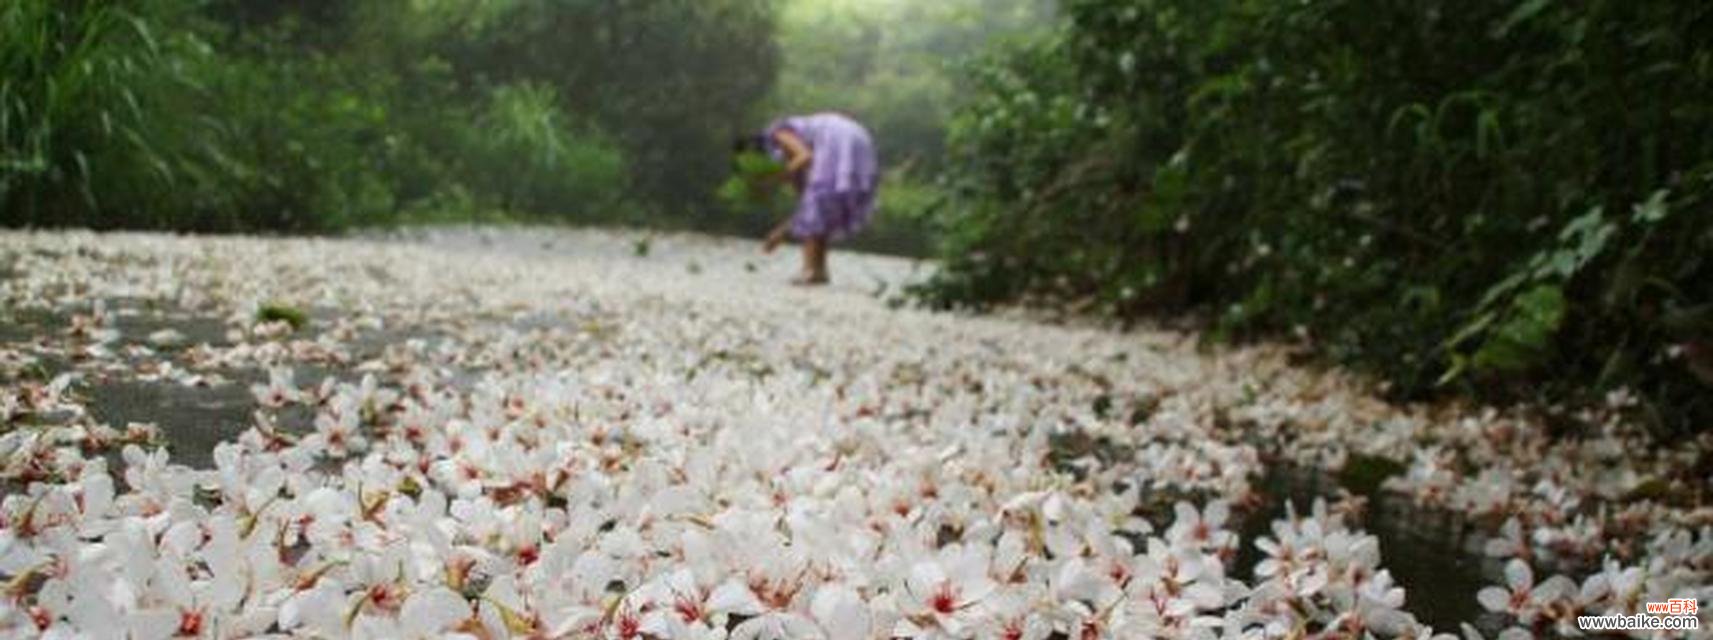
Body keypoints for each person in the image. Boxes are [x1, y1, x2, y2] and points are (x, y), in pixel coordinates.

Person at [735, 112, 879, 285]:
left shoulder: (778, 134)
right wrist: (783, 230)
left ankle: (809, 270)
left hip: (839, 138)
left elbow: (804, 156)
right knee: (821, 205)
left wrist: (772, 181)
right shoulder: (789, 156)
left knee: (816, 204)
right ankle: (819, 270)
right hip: (857, 137)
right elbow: (806, 202)